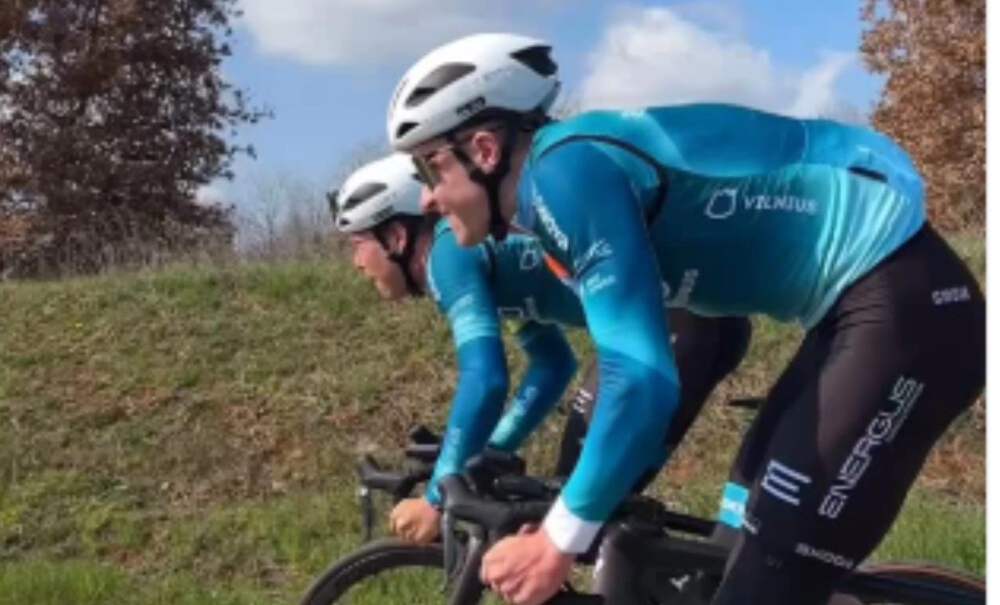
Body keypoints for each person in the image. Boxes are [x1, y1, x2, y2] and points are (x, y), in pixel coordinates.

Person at [385, 32, 986, 605]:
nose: (428, 199)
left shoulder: (564, 177)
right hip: (853, 314)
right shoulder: (549, 202)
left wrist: (557, 539)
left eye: (430, 169)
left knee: (768, 567)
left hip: (904, 310)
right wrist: (565, 516)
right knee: (732, 560)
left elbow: (641, 375)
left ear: (484, 151)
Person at [331, 153, 751, 546]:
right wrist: (496, 446)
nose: (356, 263)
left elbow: (484, 379)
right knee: (599, 512)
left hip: (676, 321)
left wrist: (437, 496)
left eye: (357, 244)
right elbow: (552, 364)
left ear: (396, 236)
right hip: (699, 321)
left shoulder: (448, 257)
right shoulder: (482, 252)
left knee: (573, 503)